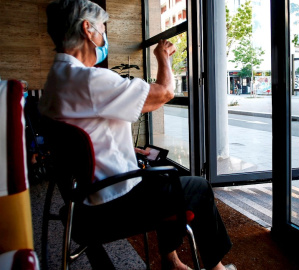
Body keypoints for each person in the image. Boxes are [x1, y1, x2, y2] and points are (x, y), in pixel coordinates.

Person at [39, 1, 235, 269]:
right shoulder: (89, 80)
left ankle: (171, 261)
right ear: (88, 29)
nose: (104, 37)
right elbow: (163, 93)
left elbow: (90, 135)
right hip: (112, 203)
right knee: (198, 188)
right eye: (103, 29)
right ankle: (217, 267)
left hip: (82, 197)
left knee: (168, 178)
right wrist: (163, 57)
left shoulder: (54, 80)